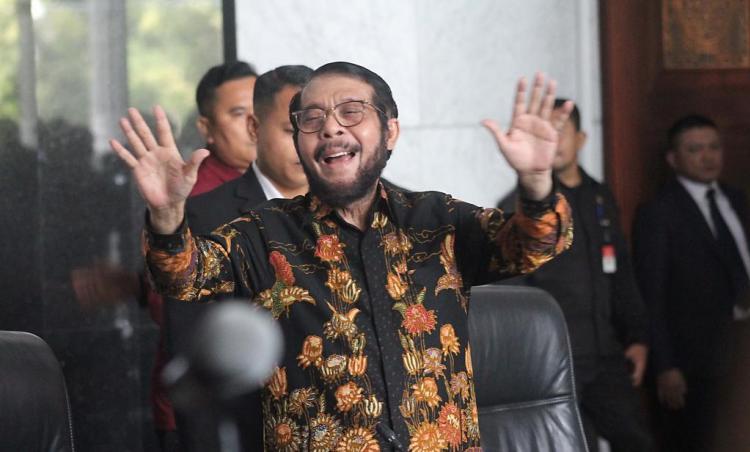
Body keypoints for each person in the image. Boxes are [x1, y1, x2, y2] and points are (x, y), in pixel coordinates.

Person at [111, 62, 574, 450]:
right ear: (300, 143)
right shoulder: (263, 233)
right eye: (311, 119)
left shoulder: (439, 220)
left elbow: (533, 245)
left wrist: (536, 182)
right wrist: (167, 215)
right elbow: (182, 276)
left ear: (390, 131)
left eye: (351, 112)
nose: (330, 127)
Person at [72, 60, 258, 451]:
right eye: (238, 113)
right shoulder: (188, 193)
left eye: (260, 112)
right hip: (203, 406)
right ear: (206, 127)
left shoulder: (284, 186)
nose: (252, 125)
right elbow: (173, 305)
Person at [165, 64, 313, 451]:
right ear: (254, 127)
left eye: (315, 129)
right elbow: (195, 358)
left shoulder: (364, 208)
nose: (306, 145)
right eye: (290, 131)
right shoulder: (204, 218)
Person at [498, 99, 653, 452]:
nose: (551, 140)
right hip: (555, 359)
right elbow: (511, 290)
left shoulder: (599, 196)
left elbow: (621, 272)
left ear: (581, 139)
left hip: (606, 353)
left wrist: (638, 336)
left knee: (636, 440)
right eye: (544, 132)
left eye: (560, 131)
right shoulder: (524, 206)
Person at [633, 114, 750, 452]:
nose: (708, 157)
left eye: (714, 147)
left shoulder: (736, 199)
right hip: (694, 361)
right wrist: (665, 366)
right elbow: (651, 295)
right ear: (673, 159)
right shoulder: (659, 212)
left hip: (741, 349)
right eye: (695, 149)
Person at [190, 61, 258, 196]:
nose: (256, 123)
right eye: (239, 113)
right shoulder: (202, 195)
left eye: (260, 108)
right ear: (206, 128)